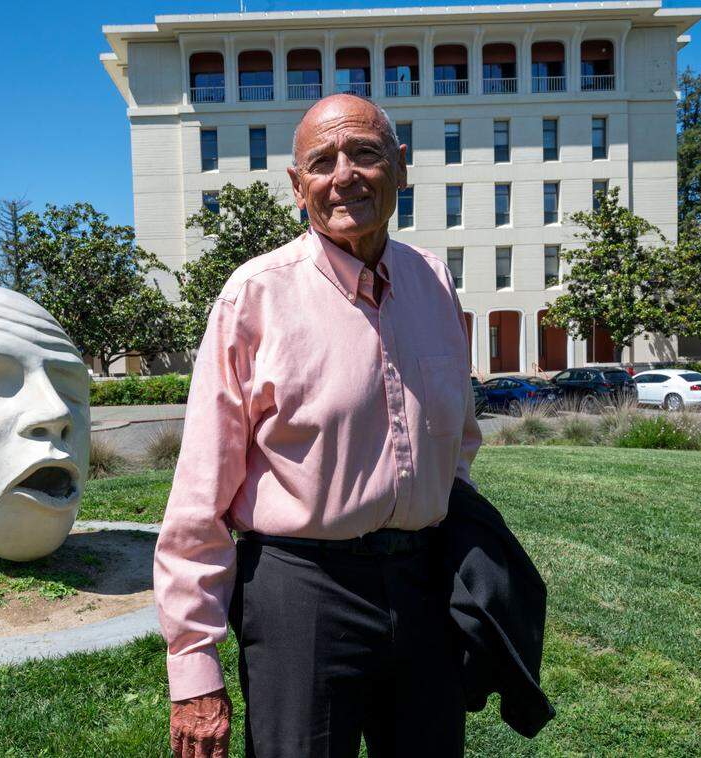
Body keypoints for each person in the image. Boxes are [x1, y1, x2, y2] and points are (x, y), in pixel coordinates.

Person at [154, 93, 483, 758]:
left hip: (423, 588)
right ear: (297, 187)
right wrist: (193, 669)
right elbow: (200, 494)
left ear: (400, 166)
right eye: (322, 161)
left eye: (365, 153)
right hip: (302, 595)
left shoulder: (434, 282)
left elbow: (458, 440)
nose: (345, 175)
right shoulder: (255, 296)